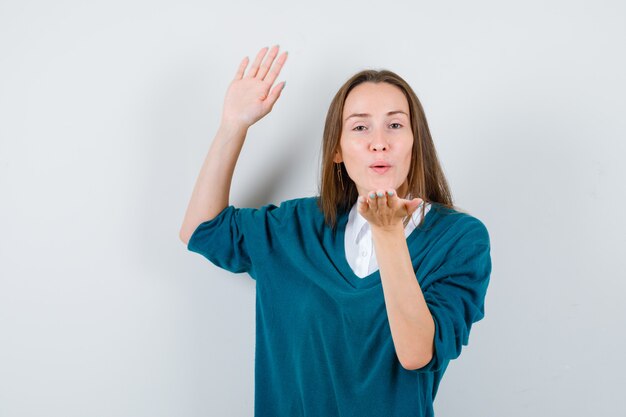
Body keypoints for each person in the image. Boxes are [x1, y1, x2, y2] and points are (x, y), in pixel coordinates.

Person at [179, 45, 492, 417]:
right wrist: (233, 125)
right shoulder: (296, 226)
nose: (380, 142)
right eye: (360, 127)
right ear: (337, 151)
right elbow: (200, 229)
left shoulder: (459, 239)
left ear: (414, 141)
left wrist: (389, 233)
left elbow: (415, 354)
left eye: (395, 125)